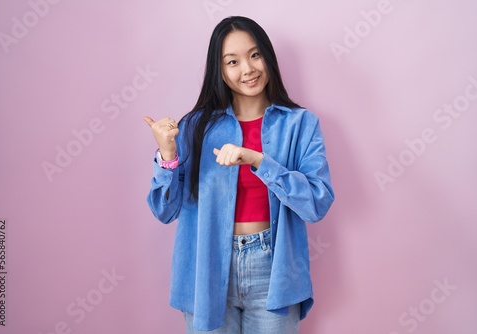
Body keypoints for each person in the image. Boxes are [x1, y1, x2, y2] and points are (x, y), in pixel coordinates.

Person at [143, 16, 334, 334]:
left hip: (273, 268)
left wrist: (259, 161)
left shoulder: (300, 124)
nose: (248, 69)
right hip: (206, 266)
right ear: (219, 70)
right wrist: (167, 155)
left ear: (268, 57)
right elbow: (164, 210)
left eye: (255, 55)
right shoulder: (195, 126)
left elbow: (317, 202)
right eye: (233, 61)